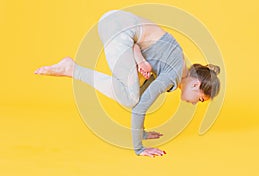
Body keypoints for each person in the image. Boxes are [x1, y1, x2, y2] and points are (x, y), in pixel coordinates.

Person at [34, 10, 221, 158]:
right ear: (195, 85)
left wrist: (143, 132)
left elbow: (136, 47)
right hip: (118, 29)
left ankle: (72, 69)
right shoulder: (173, 74)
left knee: (134, 91)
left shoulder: (176, 66)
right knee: (130, 98)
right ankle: (72, 69)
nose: (195, 103)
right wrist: (140, 148)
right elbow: (139, 106)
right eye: (200, 100)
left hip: (115, 22)